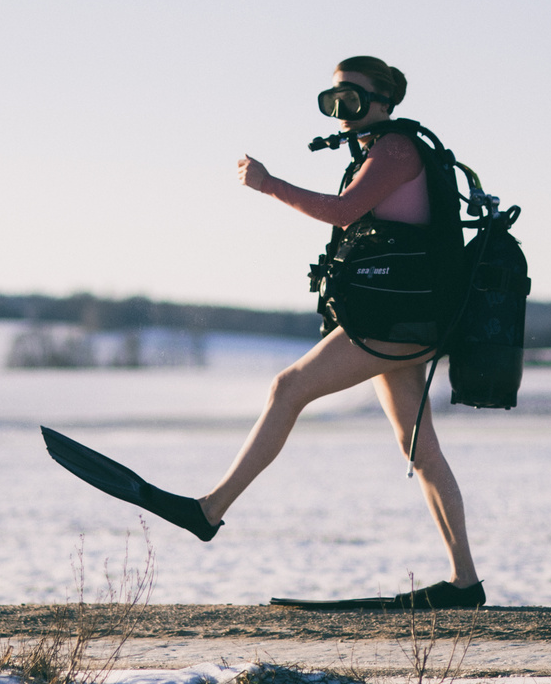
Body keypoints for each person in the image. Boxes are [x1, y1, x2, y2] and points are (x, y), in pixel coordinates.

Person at [200, 55, 484, 610]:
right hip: (409, 318)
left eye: (350, 99)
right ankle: (464, 583)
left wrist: (268, 184)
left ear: (382, 101)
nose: (340, 113)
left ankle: (209, 510)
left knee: (288, 387)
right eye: (331, 101)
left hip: (397, 320)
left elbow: (343, 211)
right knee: (419, 447)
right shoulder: (383, 149)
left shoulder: (397, 150)